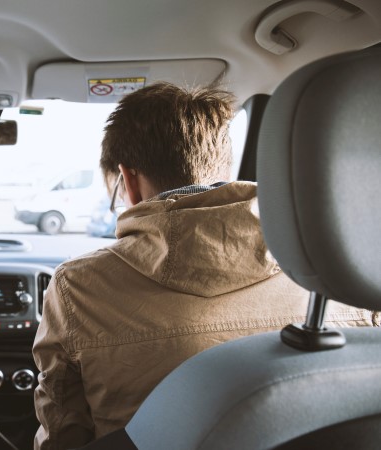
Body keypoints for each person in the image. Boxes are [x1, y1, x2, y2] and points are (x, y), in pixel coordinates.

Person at [31, 82, 376, 449]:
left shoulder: (78, 286)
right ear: (223, 168)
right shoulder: (347, 274)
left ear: (129, 182)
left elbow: (62, 433)